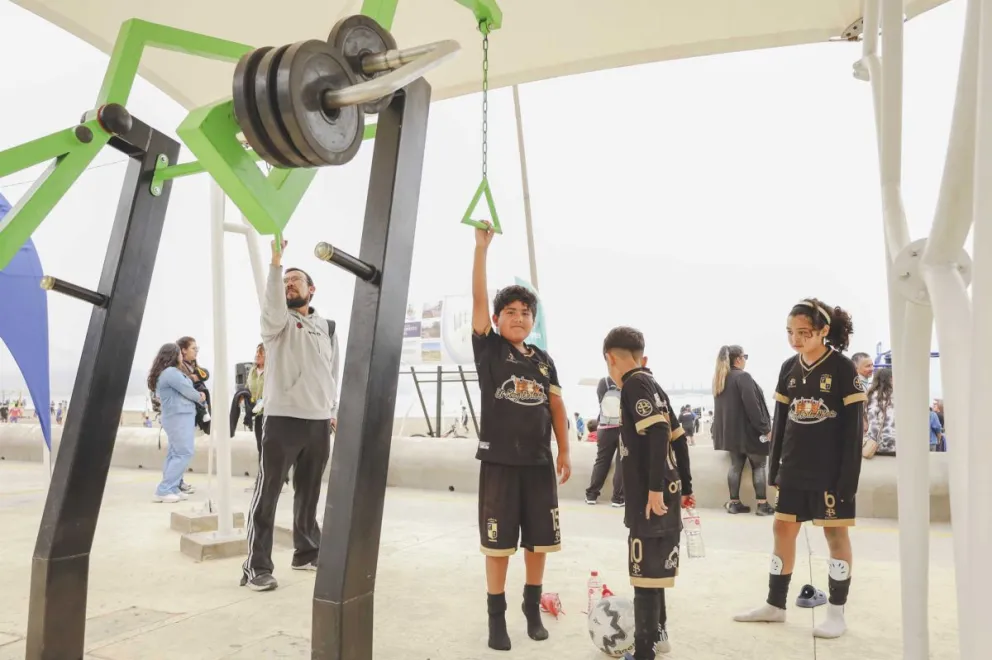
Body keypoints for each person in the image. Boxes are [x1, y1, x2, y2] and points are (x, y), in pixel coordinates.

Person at [734, 298, 866, 640]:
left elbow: (854, 431)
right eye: (790, 332)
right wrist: (774, 471)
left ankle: (836, 614)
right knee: (782, 529)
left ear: (823, 331)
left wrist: (847, 480)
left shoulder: (842, 369)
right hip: (794, 469)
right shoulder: (788, 368)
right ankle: (775, 605)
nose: (796, 339)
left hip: (830, 472)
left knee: (835, 535)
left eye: (804, 332)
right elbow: (781, 424)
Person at [471, 222, 571, 651]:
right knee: (498, 546)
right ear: (497, 320)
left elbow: (557, 407)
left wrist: (564, 449)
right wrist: (481, 250)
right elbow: (478, 298)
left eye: (525, 313)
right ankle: (497, 618)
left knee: (539, 540)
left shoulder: (544, 360)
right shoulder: (490, 349)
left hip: (538, 463)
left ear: (533, 320)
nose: (518, 318)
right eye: (510, 312)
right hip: (499, 463)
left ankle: (532, 608)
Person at [241, 238, 341, 592]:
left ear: (311, 289)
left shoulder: (327, 327)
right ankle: (256, 566)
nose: (289, 284)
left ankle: (307, 551)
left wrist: (332, 411)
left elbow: (333, 373)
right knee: (267, 493)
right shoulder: (277, 324)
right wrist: (276, 265)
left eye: (295, 280)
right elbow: (271, 306)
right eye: (286, 282)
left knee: (309, 492)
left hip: (318, 421)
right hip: (282, 418)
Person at [602, 326, 694, 659]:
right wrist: (687, 486)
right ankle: (660, 635)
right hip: (669, 490)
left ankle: (643, 651)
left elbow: (657, 431)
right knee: (657, 571)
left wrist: (654, 490)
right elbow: (679, 437)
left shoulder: (632, 385)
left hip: (650, 498)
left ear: (611, 359)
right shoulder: (654, 386)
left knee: (643, 575)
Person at [711, 345, 773, 515]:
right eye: (745, 356)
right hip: (750, 433)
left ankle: (734, 503)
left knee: (736, 465)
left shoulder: (721, 378)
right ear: (738, 359)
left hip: (731, 435)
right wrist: (765, 429)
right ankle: (762, 505)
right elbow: (752, 407)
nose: (745, 359)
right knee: (759, 466)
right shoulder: (743, 377)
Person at [148, 342, 206, 503]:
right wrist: (200, 396)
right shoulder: (171, 373)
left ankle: (172, 487)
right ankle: (164, 489)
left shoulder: (167, 373)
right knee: (184, 452)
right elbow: (188, 391)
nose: (181, 355)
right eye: (180, 353)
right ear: (174, 356)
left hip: (177, 416)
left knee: (175, 453)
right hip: (178, 417)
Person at [585, 375, 625, 507]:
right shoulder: (627, 381)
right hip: (623, 428)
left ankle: (591, 495)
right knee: (621, 462)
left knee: (601, 461)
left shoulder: (604, 382)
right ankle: (618, 499)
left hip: (604, 427)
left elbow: (601, 402)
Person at [864, 367, 895, 456]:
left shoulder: (871, 395)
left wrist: (871, 442)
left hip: (878, 446)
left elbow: (873, 422)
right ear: (890, 379)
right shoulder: (895, 396)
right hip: (895, 445)